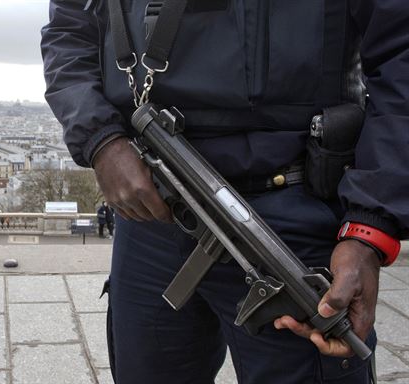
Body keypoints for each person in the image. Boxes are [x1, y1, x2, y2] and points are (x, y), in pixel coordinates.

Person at [41, 2, 409, 383]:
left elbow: (400, 48)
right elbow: (69, 27)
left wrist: (369, 226)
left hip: (290, 218)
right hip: (154, 200)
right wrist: (101, 140)